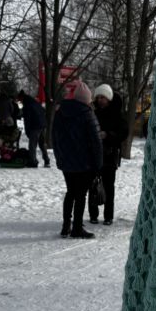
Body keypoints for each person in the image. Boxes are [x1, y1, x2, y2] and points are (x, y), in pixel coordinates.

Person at [52, 80, 103, 238]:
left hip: (67, 162)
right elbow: (96, 142)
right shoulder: (87, 114)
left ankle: (66, 226)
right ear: (85, 99)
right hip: (85, 163)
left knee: (70, 193)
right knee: (80, 195)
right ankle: (77, 229)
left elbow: (54, 138)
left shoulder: (60, 113)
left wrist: (60, 157)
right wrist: (98, 164)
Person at [88, 84, 129, 226]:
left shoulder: (116, 113)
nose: (100, 100)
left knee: (108, 186)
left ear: (109, 98)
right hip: (93, 154)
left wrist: (108, 135)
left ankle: (108, 216)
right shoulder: (92, 111)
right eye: (98, 97)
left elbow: (124, 132)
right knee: (93, 185)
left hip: (110, 155)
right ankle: (93, 215)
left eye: (103, 97)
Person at [18, 90, 50, 167]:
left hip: (35, 126)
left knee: (32, 145)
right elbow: (43, 111)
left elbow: (27, 119)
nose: (20, 102)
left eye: (20, 100)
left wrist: (27, 130)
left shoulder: (27, 105)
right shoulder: (35, 102)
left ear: (22, 98)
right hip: (42, 125)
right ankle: (47, 160)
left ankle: (33, 161)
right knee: (42, 144)